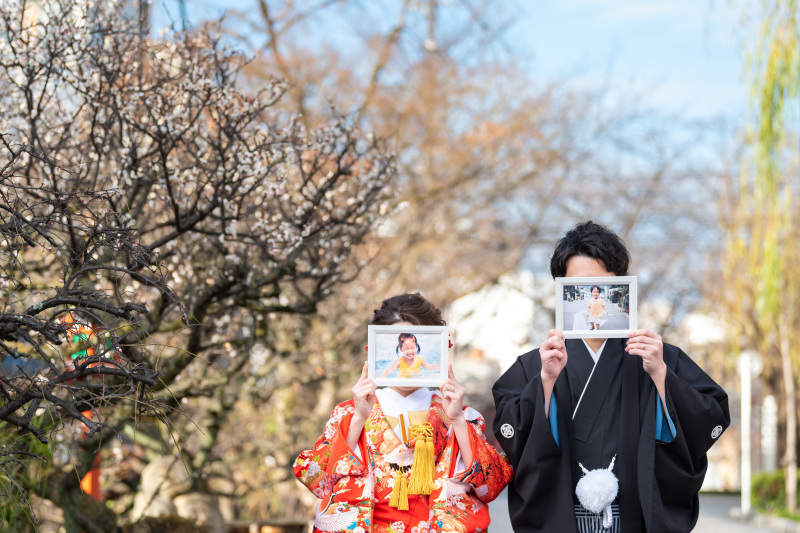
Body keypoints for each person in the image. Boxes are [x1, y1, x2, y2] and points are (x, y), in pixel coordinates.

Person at [492, 221, 730, 533]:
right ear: (562, 291)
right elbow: (514, 434)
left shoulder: (658, 357)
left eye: (604, 285)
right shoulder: (534, 365)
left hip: (633, 515)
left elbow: (708, 416)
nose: (594, 294)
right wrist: (546, 382)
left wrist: (661, 376)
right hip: (563, 515)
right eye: (578, 287)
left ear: (620, 286)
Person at [294, 293, 513, 533]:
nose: (410, 353)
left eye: (416, 346)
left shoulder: (460, 415)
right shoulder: (350, 412)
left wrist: (458, 421)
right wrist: (357, 419)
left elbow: (491, 486)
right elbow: (318, 482)